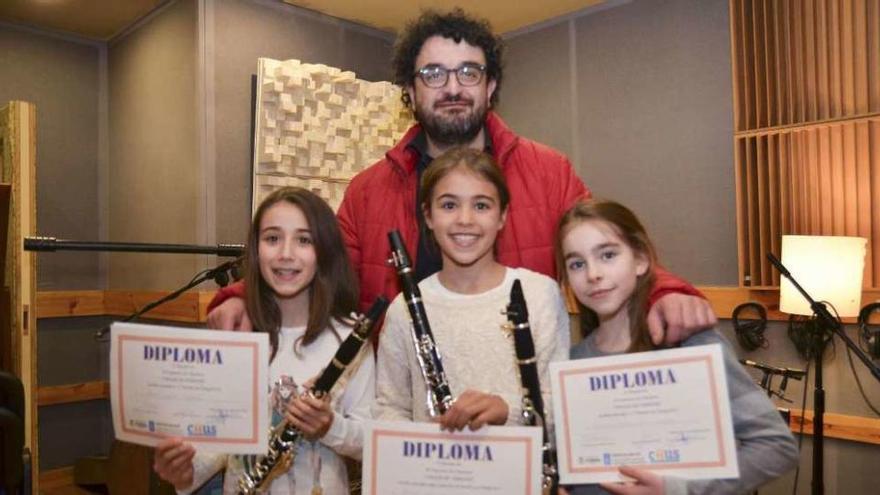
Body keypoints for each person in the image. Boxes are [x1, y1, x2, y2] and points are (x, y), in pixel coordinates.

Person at [206, 8, 716, 346]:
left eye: (469, 72)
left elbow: (607, 254)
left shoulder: (549, 171)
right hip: (410, 420)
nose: (453, 87)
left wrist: (666, 290)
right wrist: (240, 299)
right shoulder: (366, 191)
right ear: (409, 88)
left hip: (523, 410)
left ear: (490, 86)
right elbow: (318, 271)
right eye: (433, 74)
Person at [555, 199, 798, 495]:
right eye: (577, 264)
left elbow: (776, 446)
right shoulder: (572, 363)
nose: (593, 274)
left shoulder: (690, 344)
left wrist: (678, 489)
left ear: (641, 260)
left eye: (607, 255)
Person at [153, 187, 374, 494]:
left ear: (324, 251)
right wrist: (182, 471)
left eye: (304, 240)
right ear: (256, 251)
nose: (286, 253)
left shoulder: (350, 338)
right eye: (272, 238)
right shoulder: (235, 335)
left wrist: (328, 426)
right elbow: (214, 448)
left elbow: (371, 444)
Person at [375, 147, 569, 432]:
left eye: (481, 206)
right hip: (435, 473)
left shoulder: (540, 295)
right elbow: (389, 409)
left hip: (520, 474)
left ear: (502, 216)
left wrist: (508, 410)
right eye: (449, 205)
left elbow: (563, 407)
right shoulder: (403, 309)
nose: (465, 220)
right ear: (428, 216)